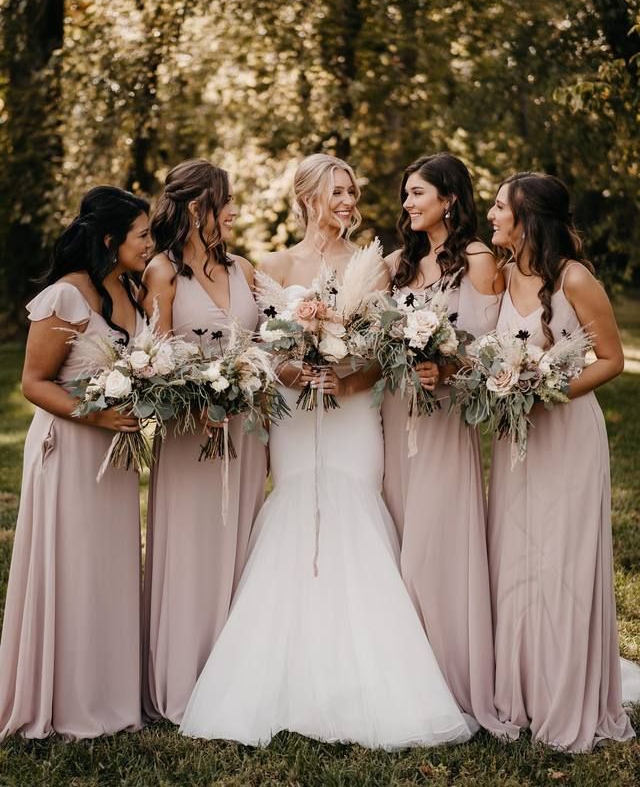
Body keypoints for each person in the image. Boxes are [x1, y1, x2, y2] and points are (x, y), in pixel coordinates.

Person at [179, 153, 474, 749]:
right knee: (295, 504)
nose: (347, 201)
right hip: (293, 414)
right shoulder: (272, 265)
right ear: (308, 195)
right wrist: (293, 370)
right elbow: (261, 349)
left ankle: (377, 673)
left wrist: (348, 379)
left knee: (356, 505)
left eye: (352, 191)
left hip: (355, 413)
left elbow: (382, 352)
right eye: (336, 191)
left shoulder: (378, 265)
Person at [487, 171, 637, 751]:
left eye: (501, 208)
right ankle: (520, 694)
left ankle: (565, 697)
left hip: (567, 433)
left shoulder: (575, 279)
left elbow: (612, 360)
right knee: (516, 558)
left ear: (528, 219)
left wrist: (547, 388)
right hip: (515, 437)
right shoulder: (499, 278)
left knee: (563, 563)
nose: (493, 216)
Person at [0, 186, 150, 740]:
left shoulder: (130, 289)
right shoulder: (67, 296)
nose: (149, 243)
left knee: (108, 569)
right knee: (73, 567)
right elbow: (33, 383)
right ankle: (65, 699)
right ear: (111, 239)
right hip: (70, 447)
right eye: (142, 234)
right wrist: (98, 418)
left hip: (115, 456)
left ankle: (110, 696)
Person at [382, 153, 515, 738]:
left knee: (434, 547)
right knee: (398, 537)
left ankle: (451, 677)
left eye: (416, 194)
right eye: (406, 195)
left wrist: (448, 368)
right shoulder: (399, 263)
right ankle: (401, 673)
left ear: (449, 199)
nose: (408, 204)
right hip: (392, 417)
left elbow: (490, 353)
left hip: (442, 423)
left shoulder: (482, 263)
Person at [141, 159, 266, 724]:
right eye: (227, 201)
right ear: (198, 209)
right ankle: (183, 678)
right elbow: (155, 358)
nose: (235, 211)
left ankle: (235, 674)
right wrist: (196, 399)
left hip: (244, 429)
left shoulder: (242, 268)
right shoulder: (162, 271)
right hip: (191, 433)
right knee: (192, 548)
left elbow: (265, 342)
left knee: (240, 542)